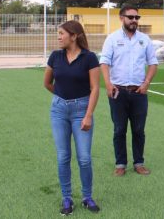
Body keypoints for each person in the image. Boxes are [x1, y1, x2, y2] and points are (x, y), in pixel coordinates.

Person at [43, 20, 101, 215]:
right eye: (58, 34)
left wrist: (88, 115)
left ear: (74, 36)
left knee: (84, 158)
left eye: (61, 33)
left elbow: (94, 88)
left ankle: (87, 197)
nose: (58, 37)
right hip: (59, 110)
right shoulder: (55, 56)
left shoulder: (89, 58)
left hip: (81, 110)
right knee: (63, 157)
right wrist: (62, 98)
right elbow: (47, 83)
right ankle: (66, 198)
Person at [100, 4, 158, 177]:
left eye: (137, 17)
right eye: (130, 17)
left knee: (139, 130)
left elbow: (153, 63)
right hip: (118, 92)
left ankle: (139, 163)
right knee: (119, 130)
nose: (134, 20)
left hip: (138, 93)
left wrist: (146, 82)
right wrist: (108, 84)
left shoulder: (144, 39)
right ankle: (120, 164)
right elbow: (104, 63)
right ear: (121, 18)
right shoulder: (112, 39)